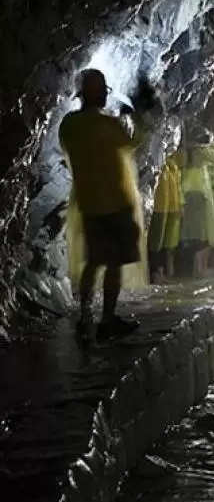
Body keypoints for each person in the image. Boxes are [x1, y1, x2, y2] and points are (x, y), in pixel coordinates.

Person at [60, 69, 150, 344]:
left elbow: (67, 149)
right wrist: (137, 114)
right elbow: (133, 141)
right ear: (97, 93)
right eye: (103, 91)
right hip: (116, 204)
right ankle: (107, 321)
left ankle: (85, 313)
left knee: (94, 261)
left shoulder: (69, 125)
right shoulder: (109, 126)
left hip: (88, 203)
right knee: (113, 264)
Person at [179, 127, 214, 278]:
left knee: (196, 231)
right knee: (200, 232)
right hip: (198, 192)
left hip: (193, 190)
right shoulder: (201, 152)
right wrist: (209, 144)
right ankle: (198, 268)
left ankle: (197, 268)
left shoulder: (190, 152)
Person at [147, 151, 183, 283]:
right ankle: (155, 273)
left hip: (168, 208)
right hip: (158, 207)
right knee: (156, 242)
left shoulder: (171, 167)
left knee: (163, 242)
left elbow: (176, 189)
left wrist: (178, 205)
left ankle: (159, 271)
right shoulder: (160, 167)